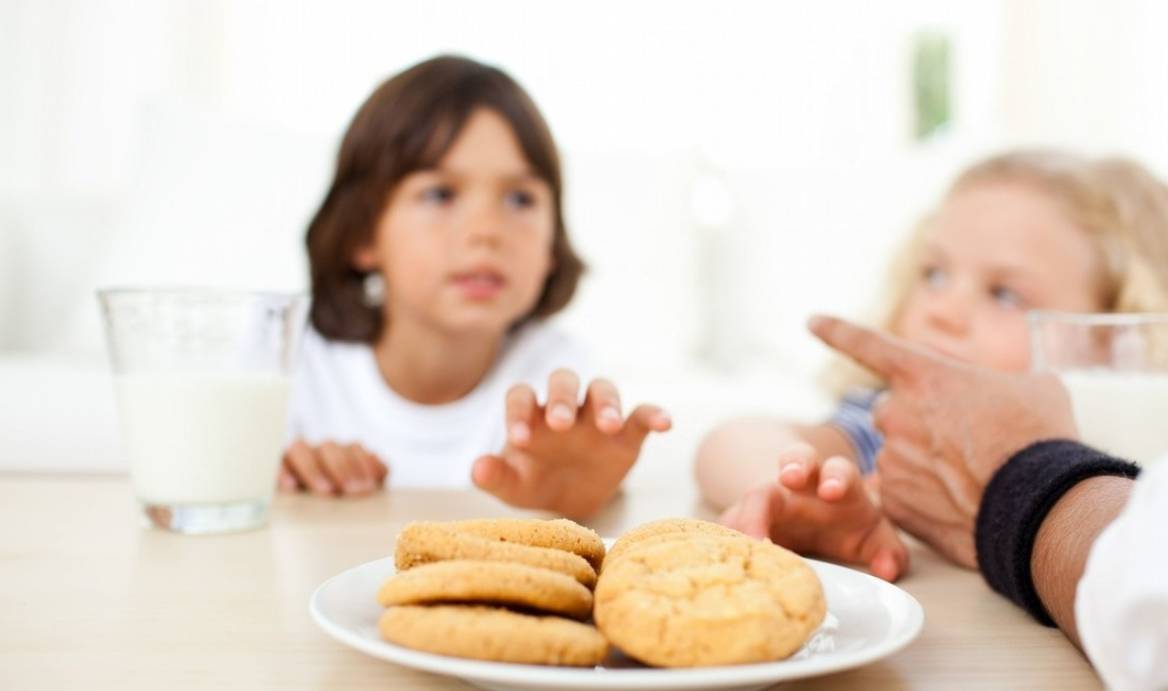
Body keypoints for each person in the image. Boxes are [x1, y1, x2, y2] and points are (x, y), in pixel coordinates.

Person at [696, 150, 1168, 580]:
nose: (941, 311)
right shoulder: (906, 433)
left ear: (1116, 338)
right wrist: (798, 495)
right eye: (934, 274)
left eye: (1004, 293)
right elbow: (730, 442)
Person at [280, 55, 671, 518]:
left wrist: (585, 495)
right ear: (362, 233)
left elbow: (580, 492)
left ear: (551, 246)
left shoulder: (557, 383)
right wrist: (281, 475)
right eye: (440, 194)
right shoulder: (290, 369)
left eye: (520, 199)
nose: (487, 231)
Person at [810, 314, 1167, 691]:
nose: (952, 310)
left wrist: (1025, 475)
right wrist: (800, 487)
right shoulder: (892, 419)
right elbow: (762, 439)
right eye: (934, 275)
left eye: (1005, 297)